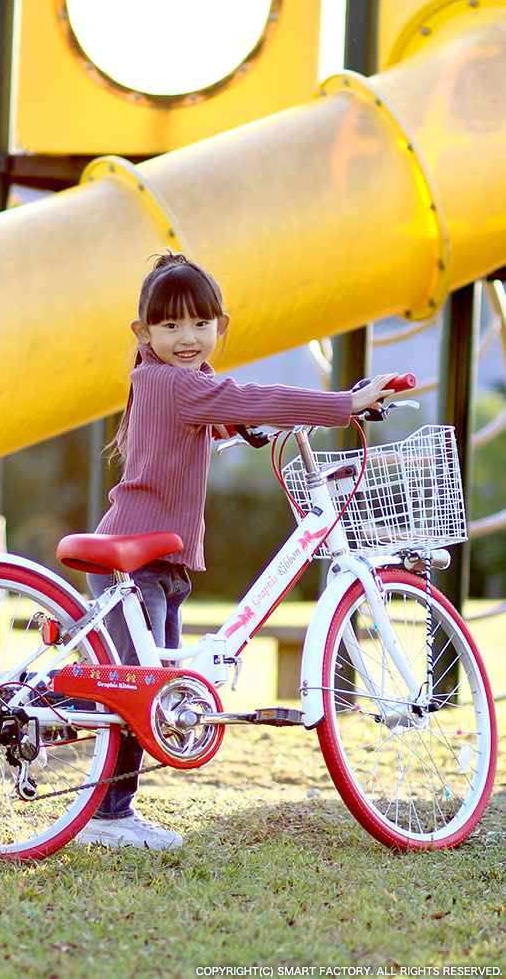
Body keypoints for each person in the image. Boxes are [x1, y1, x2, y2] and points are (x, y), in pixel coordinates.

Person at [76, 251, 396, 851]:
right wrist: (343, 406)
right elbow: (248, 396)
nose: (187, 337)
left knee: (152, 686)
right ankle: (106, 814)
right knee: (133, 689)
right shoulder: (173, 383)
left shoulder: (174, 385)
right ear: (143, 334)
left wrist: (235, 426)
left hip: (162, 561)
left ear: (221, 325)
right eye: (170, 326)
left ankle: (114, 809)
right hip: (140, 561)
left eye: (199, 323)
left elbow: (220, 412)